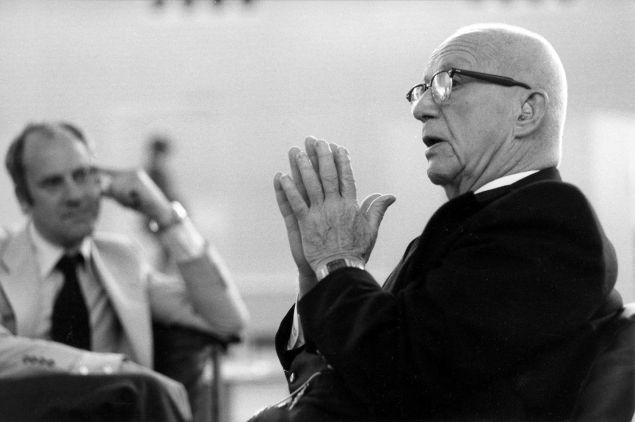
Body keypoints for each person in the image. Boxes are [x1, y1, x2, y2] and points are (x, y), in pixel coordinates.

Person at [251, 23, 623, 421]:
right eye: (421, 89)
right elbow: (345, 370)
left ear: (526, 111)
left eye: (449, 82)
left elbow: (399, 374)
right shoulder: (486, 222)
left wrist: (338, 261)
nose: (421, 108)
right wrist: (318, 276)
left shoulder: (547, 223)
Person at [0, 121, 249, 420]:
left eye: (83, 175)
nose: (75, 195)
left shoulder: (122, 260)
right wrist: (107, 368)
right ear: (23, 199)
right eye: (53, 183)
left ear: (100, 182)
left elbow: (227, 321)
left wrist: (164, 214)